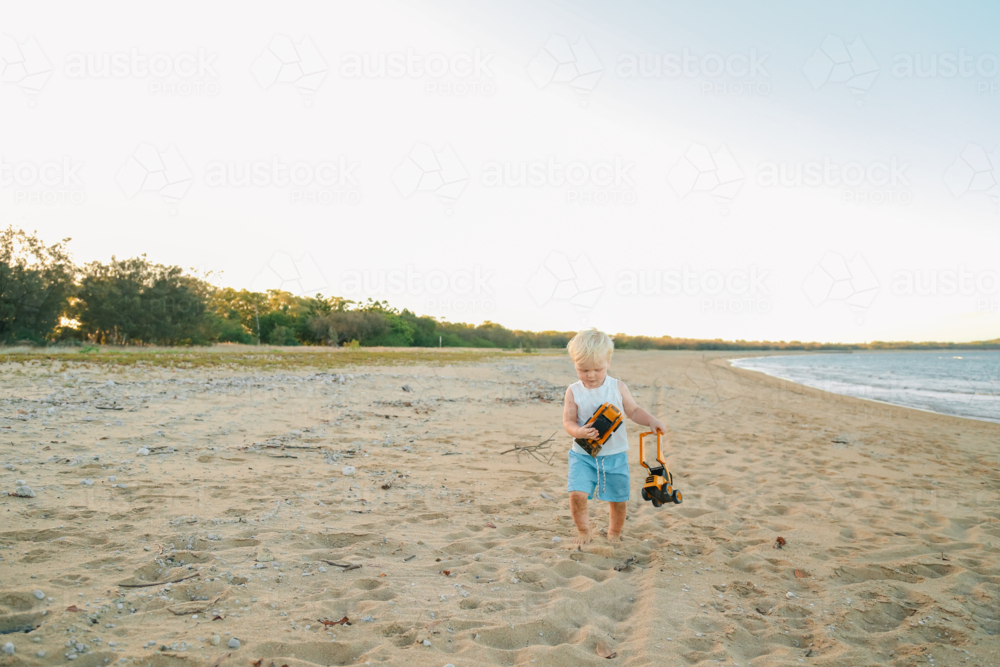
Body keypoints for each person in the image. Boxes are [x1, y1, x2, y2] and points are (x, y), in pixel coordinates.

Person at [562, 328, 668, 545]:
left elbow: (634, 411)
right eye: (583, 370)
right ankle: (583, 531)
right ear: (574, 364)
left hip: (615, 456)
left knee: (618, 499)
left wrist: (651, 421)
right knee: (577, 494)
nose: (590, 375)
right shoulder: (573, 390)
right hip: (583, 455)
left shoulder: (617, 387)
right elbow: (568, 422)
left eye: (597, 369)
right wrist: (579, 431)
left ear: (608, 363)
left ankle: (614, 533)